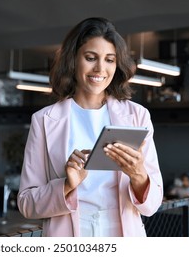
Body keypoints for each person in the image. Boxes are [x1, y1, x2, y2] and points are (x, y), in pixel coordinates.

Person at [17, 17, 163, 237]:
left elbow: (151, 205)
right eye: (90, 57)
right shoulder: (44, 120)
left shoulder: (137, 116)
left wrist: (139, 175)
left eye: (109, 60)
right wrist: (66, 185)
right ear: (73, 60)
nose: (100, 69)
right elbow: (27, 203)